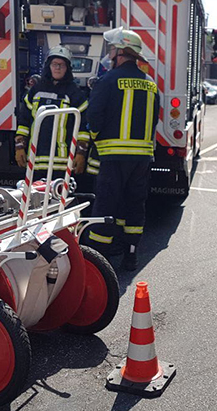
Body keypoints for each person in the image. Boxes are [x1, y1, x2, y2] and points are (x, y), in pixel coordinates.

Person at [85, 27, 159, 270]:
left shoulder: (107, 81)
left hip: (112, 156)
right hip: (142, 159)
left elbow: (94, 117)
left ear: (119, 51)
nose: (109, 53)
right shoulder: (151, 85)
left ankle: (100, 261)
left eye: (112, 48)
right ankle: (130, 254)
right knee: (134, 206)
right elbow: (154, 119)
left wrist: (94, 139)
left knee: (106, 207)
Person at [15, 45, 89, 179]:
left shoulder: (75, 94)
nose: (57, 68)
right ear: (48, 66)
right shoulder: (35, 91)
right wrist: (19, 147)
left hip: (62, 164)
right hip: (35, 161)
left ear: (68, 68)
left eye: (62, 65)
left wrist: (81, 153)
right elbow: (24, 122)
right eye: (54, 64)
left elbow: (83, 128)